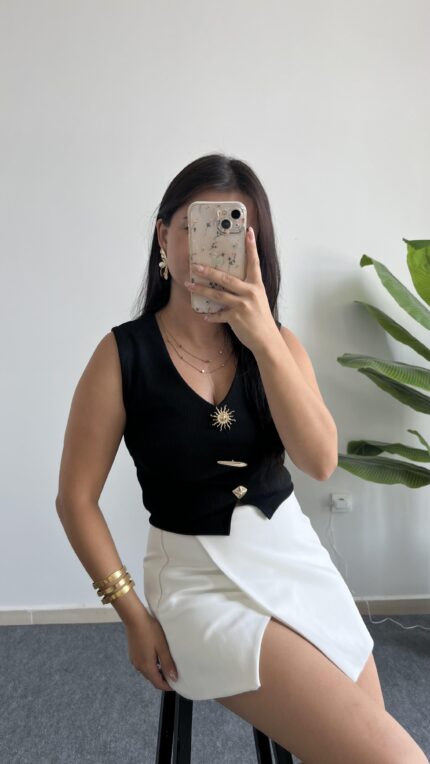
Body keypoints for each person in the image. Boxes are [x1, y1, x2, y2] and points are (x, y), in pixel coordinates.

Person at [55, 154, 428, 763]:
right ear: (164, 237)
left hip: (290, 558)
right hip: (193, 580)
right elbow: (75, 499)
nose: (211, 247)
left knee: (366, 742)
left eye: (234, 230)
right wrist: (132, 614)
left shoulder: (276, 344)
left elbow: (319, 461)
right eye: (196, 227)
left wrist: (265, 340)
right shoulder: (122, 356)